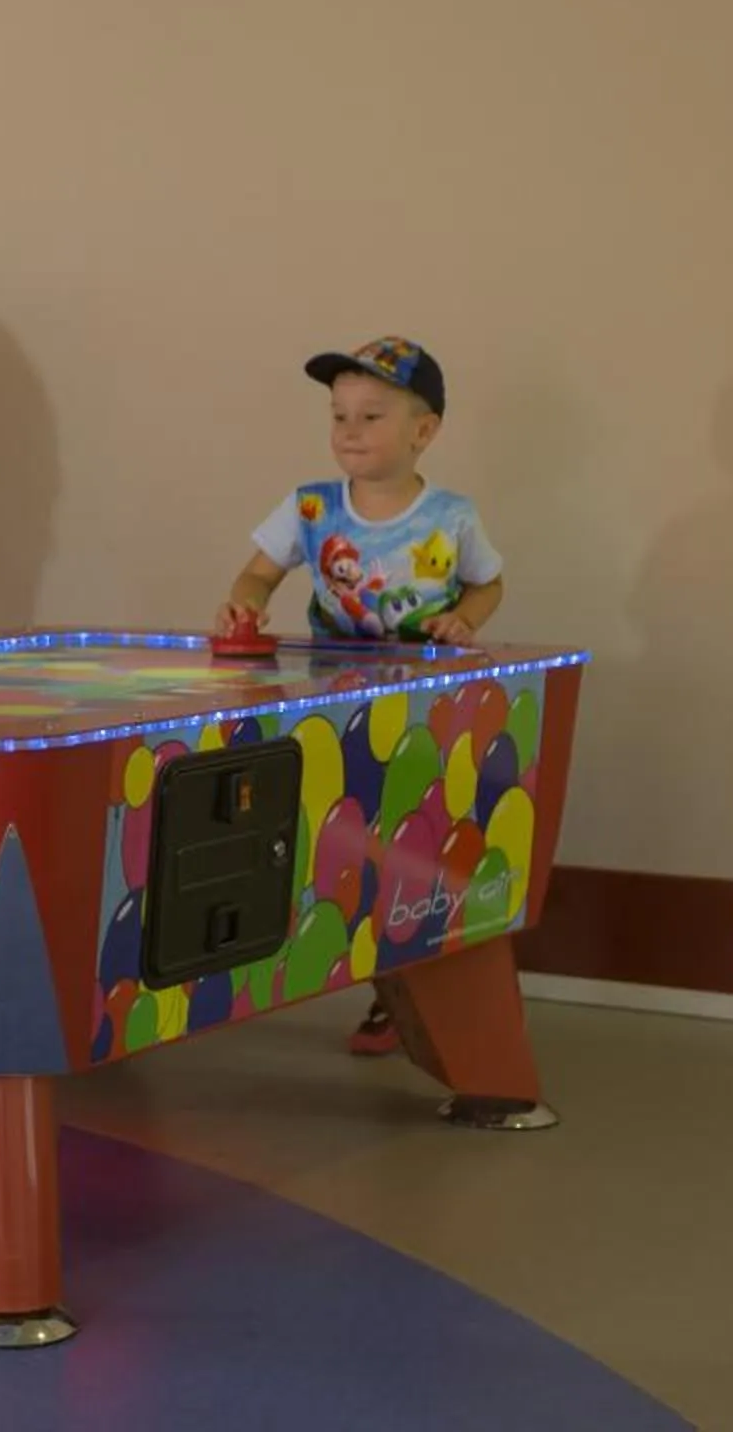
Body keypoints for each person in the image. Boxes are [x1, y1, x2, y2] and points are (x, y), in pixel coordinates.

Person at [213, 335, 504, 1054]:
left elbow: (488, 581)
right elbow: (256, 574)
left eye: (372, 417)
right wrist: (243, 605)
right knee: (334, 836)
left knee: (407, 841)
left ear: (423, 431)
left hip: (421, 701)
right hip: (329, 697)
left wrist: (464, 619)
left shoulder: (451, 515)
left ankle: (401, 990)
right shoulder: (311, 508)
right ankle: (342, 972)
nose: (349, 431)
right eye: (339, 416)